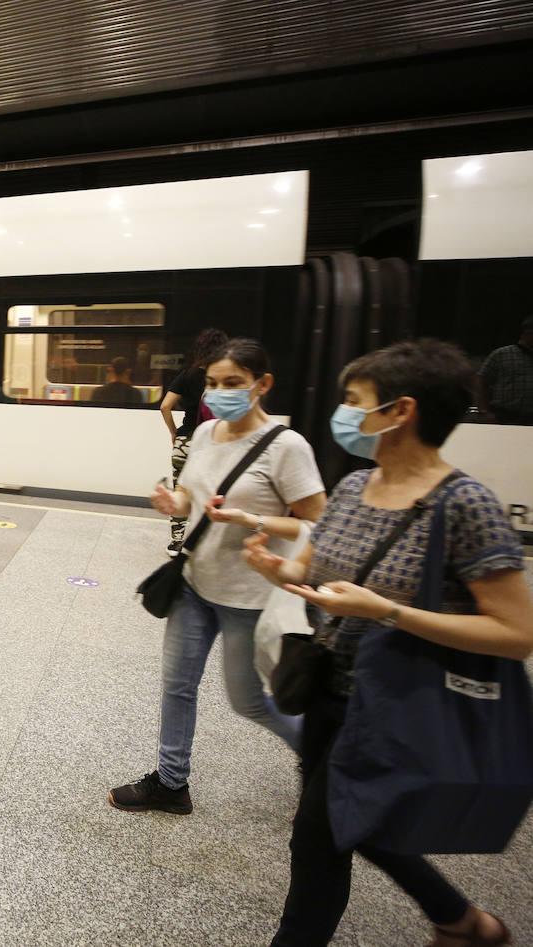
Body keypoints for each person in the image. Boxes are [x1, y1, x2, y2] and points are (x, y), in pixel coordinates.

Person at [242, 339, 532, 947]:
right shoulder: (352, 487)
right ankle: (463, 922)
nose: (343, 413)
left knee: (318, 836)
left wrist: (389, 611)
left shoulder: (465, 505)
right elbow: (313, 572)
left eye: (354, 401)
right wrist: (280, 571)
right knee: (354, 823)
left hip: (395, 703)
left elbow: (515, 634)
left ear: (401, 411)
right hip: (327, 690)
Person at [109, 338, 327, 815]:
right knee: (177, 685)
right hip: (194, 581)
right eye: (212, 383)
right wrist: (176, 504)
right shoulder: (206, 434)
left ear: (262, 384)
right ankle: (171, 784)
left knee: (247, 700)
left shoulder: (287, 447)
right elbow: (190, 497)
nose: (218, 392)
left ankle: (323, 757)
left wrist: (254, 521)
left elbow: (319, 523)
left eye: (232, 383)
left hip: (246, 595)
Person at [160, 328, 229, 554]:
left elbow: (165, 406)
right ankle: (199, 541)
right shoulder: (223, 380)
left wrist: (174, 432)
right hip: (211, 441)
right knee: (208, 491)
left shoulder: (187, 374)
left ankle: (175, 543)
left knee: (180, 490)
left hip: (184, 440)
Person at [474, 315, 533, 425]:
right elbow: (480, 382)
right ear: (527, 331)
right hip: (504, 416)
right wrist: (483, 411)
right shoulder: (501, 354)